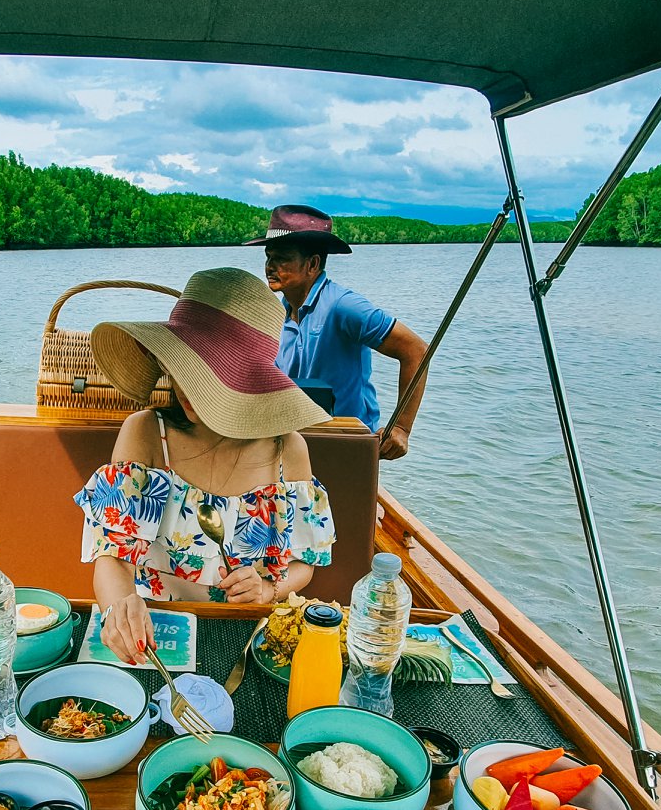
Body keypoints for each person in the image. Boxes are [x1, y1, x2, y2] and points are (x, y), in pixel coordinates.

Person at [73, 267, 338, 665]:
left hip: (247, 640)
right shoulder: (146, 433)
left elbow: (305, 562)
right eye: (184, 366)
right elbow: (113, 556)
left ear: (252, 383)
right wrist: (119, 606)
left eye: (212, 374)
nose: (187, 386)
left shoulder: (288, 450)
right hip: (155, 635)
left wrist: (268, 589)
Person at [246, 204, 429, 460]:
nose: (270, 266)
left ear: (312, 264)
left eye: (282, 258)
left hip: (346, 442)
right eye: (269, 257)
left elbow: (416, 351)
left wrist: (401, 428)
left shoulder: (343, 306)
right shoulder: (279, 311)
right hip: (296, 442)